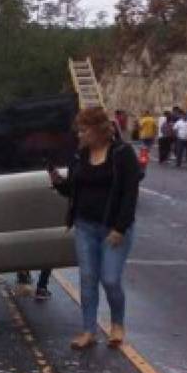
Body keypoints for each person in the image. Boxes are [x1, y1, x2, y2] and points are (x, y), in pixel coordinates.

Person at [48, 106, 142, 349]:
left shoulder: (122, 154)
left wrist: (120, 228)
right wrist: (59, 183)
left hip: (115, 228)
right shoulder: (79, 156)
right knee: (88, 278)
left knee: (110, 279)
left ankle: (117, 324)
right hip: (85, 226)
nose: (79, 135)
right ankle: (88, 330)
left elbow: (130, 194)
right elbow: (74, 189)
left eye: (83, 130)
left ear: (98, 129)